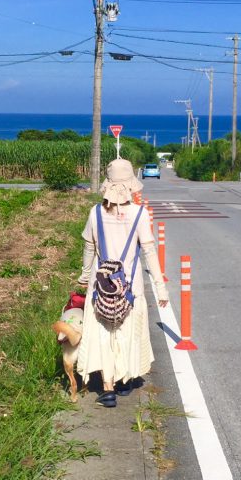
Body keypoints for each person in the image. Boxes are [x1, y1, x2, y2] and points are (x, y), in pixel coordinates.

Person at [77, 158, 168, 408]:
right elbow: (149, 252)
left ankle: (107, 389)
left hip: (101, 285)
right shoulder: (139, 214)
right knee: (126, 331)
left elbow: (88, 247)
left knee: (105, 331)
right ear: (130, 186)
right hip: (131, 286)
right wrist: (160, 287)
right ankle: (124, 379)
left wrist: (85, 276)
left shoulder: (95, 213)